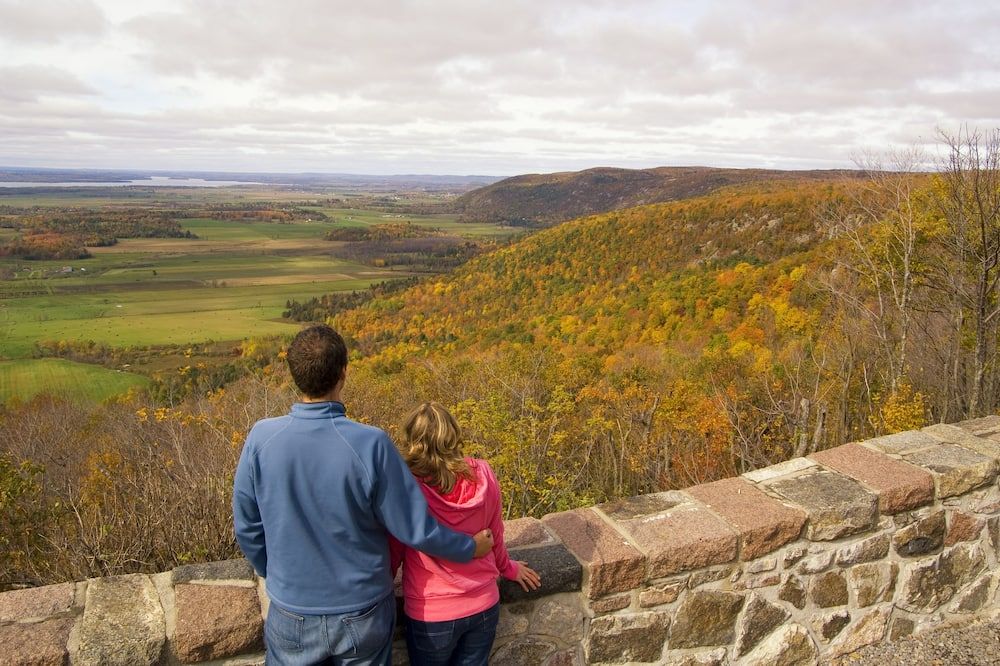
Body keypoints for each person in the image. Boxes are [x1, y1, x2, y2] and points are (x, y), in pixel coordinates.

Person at [233, 325, 495, 666]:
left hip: (292, 608)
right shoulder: (370, 444)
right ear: (344, 372)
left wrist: (275, 572)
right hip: (363, 610)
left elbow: (247, 526)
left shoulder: (261, 439)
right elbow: (414, 529)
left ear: (293, 375)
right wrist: (469, 547)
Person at [390, 402, 541, 666]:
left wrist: (382, 588)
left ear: (413, 440)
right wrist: (509, 569)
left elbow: (396, 547)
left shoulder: (408, 487)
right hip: (483, 603)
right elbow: (495, 533)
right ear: (453, 435)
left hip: (431, 613)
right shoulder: (483, 474)